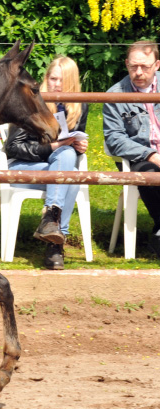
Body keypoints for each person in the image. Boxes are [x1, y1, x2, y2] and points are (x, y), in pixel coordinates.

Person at [5, 56, 89, 270]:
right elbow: (13, 148)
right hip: (22, 167)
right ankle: (55, 245)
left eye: (62, 81)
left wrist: (79, 148)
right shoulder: (30, 101)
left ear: (72, 83)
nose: (56, 85)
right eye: (52, 79)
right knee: (70, 178)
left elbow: (70, 151)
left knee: (69, 160)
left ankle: (51, 222)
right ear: (46, 78)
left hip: (58, 167)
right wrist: (51, 147)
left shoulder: (79, 107)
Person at [103, 40, 160, 258]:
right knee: (148, 173)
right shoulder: (115, 94)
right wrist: (151, 154)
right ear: (126, 64)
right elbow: (114, 139)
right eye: (133, 66)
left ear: (157, 65)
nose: (138, 72)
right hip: (140, 155)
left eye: (145, 67)